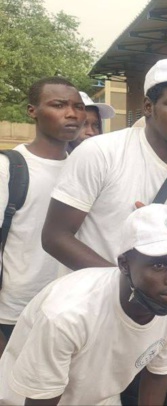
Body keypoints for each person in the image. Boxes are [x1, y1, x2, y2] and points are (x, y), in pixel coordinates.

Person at [42, 57, 167, 296]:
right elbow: (55, 237)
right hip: (90, 305)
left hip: (156, 314)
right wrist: (126, 285)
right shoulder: (101, 153)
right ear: (148, 107)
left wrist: (164, 232)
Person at [0, 204, 167, 405]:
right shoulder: (67, 315)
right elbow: (40, 399)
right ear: (124, 264)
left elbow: (158, 374)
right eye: (159, 265)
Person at [0, 78, 85, 355]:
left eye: (78, 106)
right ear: (32, 111)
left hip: (70, 307)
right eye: (58, 105)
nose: (72, 113)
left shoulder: (86, 168)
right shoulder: (9, 168)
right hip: (16, 312)